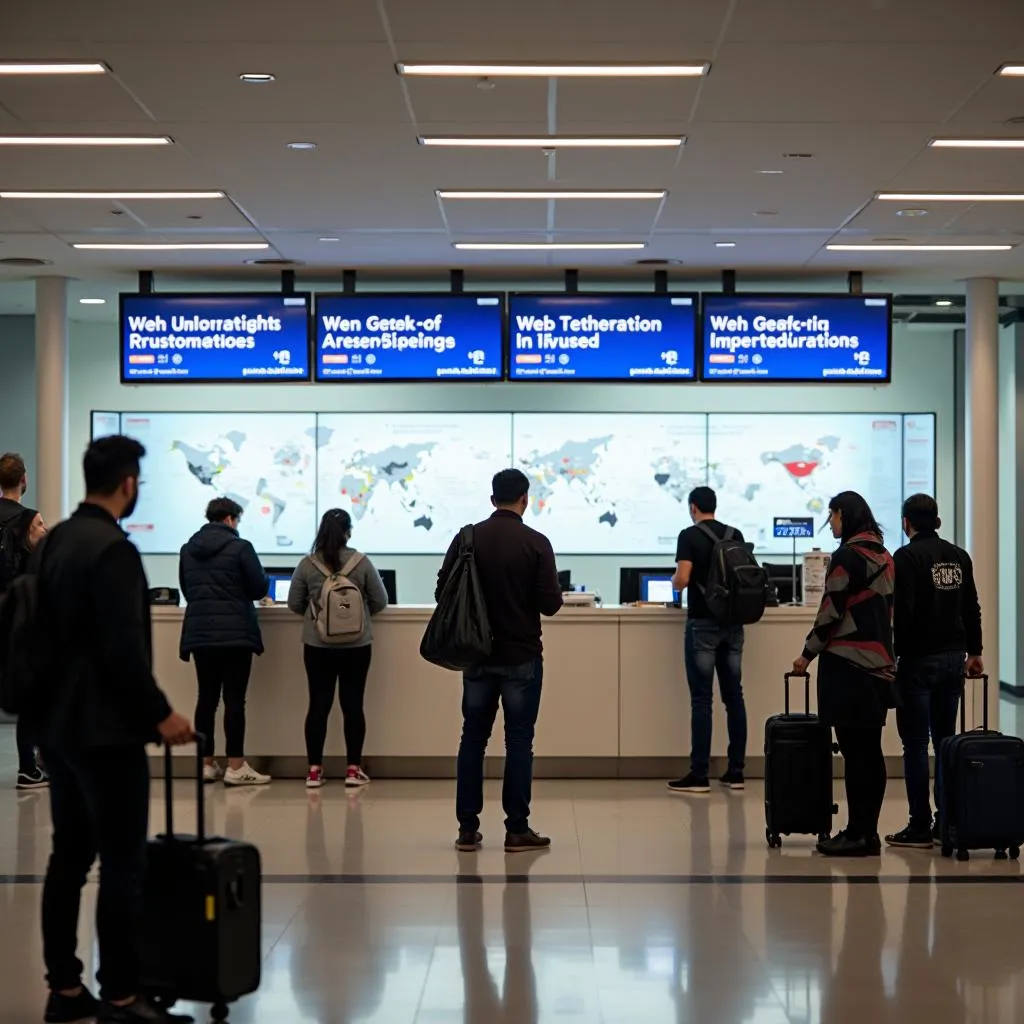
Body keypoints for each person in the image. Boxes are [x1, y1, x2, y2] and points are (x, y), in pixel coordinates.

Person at [36, 435, 194, 1024]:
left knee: (68, 857)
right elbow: (122, 651)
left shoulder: (56, 542)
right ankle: (123, 997)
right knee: (124, 864)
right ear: (128, 484)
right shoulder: (113, 550)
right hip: (107, 733)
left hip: (57, 727)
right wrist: (161, 713)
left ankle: (66, 990)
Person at [436, 468, 563, 854]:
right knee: (519, 741)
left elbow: (444, 590)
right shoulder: (536, 542)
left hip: (476, 656)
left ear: (492, 500)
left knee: (472, 739)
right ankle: (517, 829)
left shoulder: (467, 538)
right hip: (522, 657)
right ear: (525, 499)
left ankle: (467, 829)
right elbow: (551, 604)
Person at [792, 491, 896, 858]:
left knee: (855, 753)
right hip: (881, 666)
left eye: (832, 517)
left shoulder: (845, 557)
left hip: (848, 665)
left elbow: (830, 612)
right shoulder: (884, 556)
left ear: (843, 515)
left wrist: (806, 654)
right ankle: (869, 833)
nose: (832, 524)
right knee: (871, 751)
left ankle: (856, 833)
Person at [885, 494, 984, 849]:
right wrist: (976, 652)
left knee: (914, 743)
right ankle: (947, 820)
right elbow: (971, 606)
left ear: (906, 523)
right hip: (954, 659)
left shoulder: (906, 557)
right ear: (936, 520)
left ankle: (918, 825)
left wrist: (896, 655)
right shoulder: (959, 556)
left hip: (918, 660)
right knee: (944, 742)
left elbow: (905, 612)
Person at [288, 508, 388, 789]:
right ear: (349, 532)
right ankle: (353, 771)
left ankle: (314, 771)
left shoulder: (308, 564)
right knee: (353, 705)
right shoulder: (361, 562)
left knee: (318, 705)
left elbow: (294, 604)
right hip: (357, 645)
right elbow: (380, 601)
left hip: (317, 645)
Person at [179, 496, 271, 787]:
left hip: (201, 633)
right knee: (234, 701)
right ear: (231, 519)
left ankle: (206, 765)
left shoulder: (188, 549)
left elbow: (188, 589)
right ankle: (235, 766)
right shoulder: (240, 547)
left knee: (206, 699)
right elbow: (258, 587)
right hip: (235, 635)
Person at [668, 486, 748, 794]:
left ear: (693, 508)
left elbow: (683, 578)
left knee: (702, 700)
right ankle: (736, 772)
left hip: (702, 622)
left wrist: (673, 583)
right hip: (733, 623)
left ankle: (699, 774)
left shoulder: (689, 536)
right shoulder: (735, 533)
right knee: (734, 697)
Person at [0, 451, 50, 790]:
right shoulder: (30, 518)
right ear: (24, 480)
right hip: (16, 615)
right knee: (33, 694)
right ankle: (27, 769)